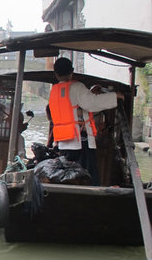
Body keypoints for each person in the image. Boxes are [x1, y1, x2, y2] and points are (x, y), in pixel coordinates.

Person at [48, 57, 123, 185]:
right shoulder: (77, 87)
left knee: (68, 176)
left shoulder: (54, 91)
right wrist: (115, 96)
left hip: (64, 142)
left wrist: (90, 92)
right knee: (88, 176)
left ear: (55, 74)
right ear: (72, 72)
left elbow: (75, 105)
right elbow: (91, 103)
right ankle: (91, 200)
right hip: (80, 142)